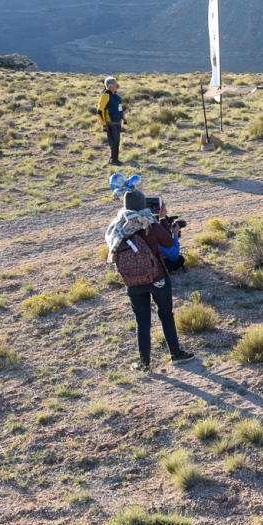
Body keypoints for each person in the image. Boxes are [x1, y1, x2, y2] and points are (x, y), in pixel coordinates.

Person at [105, 190, 194, 372]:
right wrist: (162, 220)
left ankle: (144, 364)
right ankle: (176, 354)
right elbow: (170, 247)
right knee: (166, 315)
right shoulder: (151, 224)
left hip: (133, 282)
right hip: (158, 279)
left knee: (142, 322)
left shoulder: (117, 227)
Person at [97, 77, 125, 166]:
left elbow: (120, 109)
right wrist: (103, 124)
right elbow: (99, 111)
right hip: (110, 123)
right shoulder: (105, 96)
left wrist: (123, 118)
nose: (117, 85)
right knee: (113, 142)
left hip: (118, 122)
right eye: (115, 84)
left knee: (117, 141)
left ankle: (115, 159)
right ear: (110, 86)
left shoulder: (117, 97)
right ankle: (113, 160)